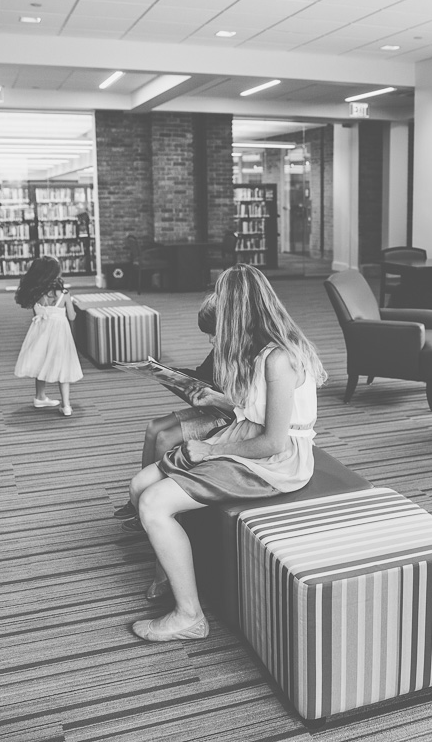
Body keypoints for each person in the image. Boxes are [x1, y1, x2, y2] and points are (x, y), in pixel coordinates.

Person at [124, 264, 327, 642]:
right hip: (245, 437)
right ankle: (169, 567)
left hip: (276, 462)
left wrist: (207, 449)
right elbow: (253, 411)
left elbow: (274, 442)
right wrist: (217, 402)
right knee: (139, 485)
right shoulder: (259, 350)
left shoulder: (279, 359)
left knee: (152, 503)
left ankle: (189, 616)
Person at [113, 295, 233, 520]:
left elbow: (242, 403)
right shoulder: (221, 349)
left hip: (227, 417)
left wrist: (211, 395)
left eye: (214, 333)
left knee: (165, 438)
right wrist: (168, 374)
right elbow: (203, 375)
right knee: (153, 428)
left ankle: (155, 504)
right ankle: (138, 497)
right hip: (211, 407)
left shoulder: (243, 355)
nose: (211, 340)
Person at [13, 256, 83, 417]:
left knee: (40, 361)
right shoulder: (64, 294)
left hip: (41, 333)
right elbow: (72, 317)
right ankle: (66, 405)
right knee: (63, 366)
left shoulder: (36, 294)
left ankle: (40, 396)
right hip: (60, 335)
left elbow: (37, 314)